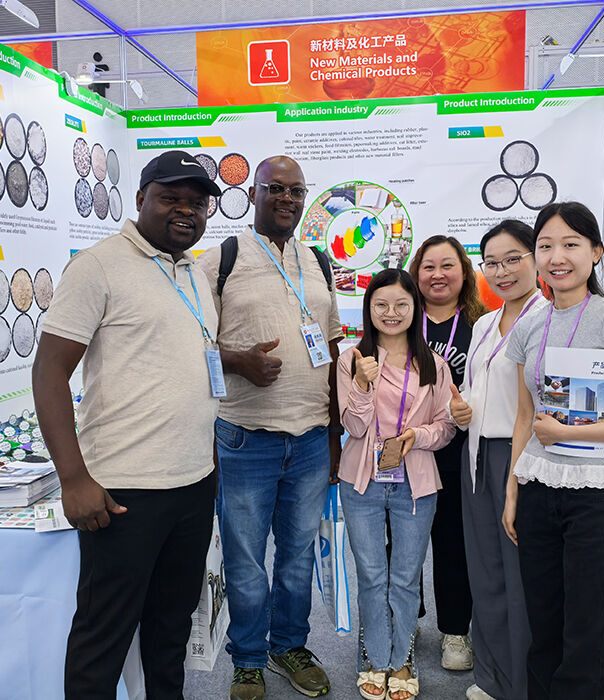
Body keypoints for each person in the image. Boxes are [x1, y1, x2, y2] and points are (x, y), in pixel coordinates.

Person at [32, 150, 222, 698]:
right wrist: (73, 479)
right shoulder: (97, 266)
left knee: (171, 627)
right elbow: (49, 372)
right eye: (171, 198)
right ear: (140, 199)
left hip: (193, 484)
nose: (186, 210)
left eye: (197, 203)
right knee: (104, 636)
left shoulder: (192, 271)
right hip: (124, 492)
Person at [502, 202, 604, 700]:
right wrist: (512, 492)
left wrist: (571, 432)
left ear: (595, 252)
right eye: (545, 246)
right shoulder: (530, 325)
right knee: (544, 629)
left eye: (570, 244)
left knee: (589, 637)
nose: (557, 257)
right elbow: (524, 418)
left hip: (595, 497)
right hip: (537, 490)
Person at [196, 156, 343, 700]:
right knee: (245, 562)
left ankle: (289, 646)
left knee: (299, 556)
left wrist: (334, 434)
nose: (287, 198)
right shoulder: (221, 259)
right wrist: (238, 362)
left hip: (310, 439)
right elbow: (190, 341)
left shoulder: (318, 260)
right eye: (275, 188)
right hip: (244, 438)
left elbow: (331, 346)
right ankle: (249, 659)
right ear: (254, 193)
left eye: (296, 190)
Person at [337, 269, 456, 700]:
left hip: (415, 482)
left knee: (405, 577)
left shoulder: (433, 365)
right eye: (381, 305)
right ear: (368, 309)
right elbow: (353, 426)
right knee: (371, 575)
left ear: (415, 308)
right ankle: (374, 657)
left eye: (401, 305)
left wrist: (415, 437)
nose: (391, 313)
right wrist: (362, 384)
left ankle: (402, 658)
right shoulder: (352, 359)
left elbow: (445, 427)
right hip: (362, 482)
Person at [449, 220, 549, 700]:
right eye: (491, 263)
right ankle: (490, 678)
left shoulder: (549, 319)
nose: (502, 271)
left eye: (513, 259)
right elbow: (476, 389)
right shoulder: (485, 323)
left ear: (536, 259)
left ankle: (521, 685)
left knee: (519, 577)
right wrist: (460, 408)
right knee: (485, 571)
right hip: (476, 457)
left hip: (521, 459)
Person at [408, 235, 486, 672]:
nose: (438, 275)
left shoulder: (483, 326)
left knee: (454, 543)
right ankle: (406, 617)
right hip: (406, 452)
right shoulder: (399, 317)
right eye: (428, 266)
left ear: (464, 273)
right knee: (402, 541)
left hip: (458, 453)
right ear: (416, 272)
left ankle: (455, 629)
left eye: (448, 265)